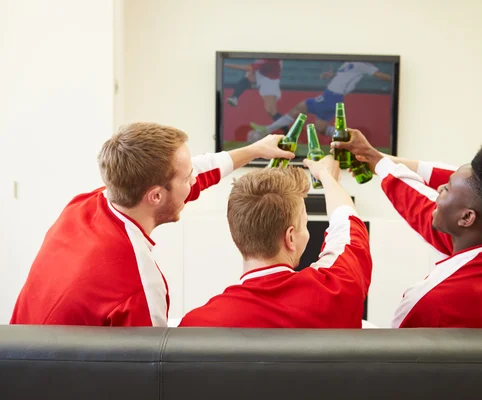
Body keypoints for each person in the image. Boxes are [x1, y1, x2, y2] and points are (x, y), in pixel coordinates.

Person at [10, 122, 293, 327]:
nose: (195, 180)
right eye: (187, 178)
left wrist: (255, 150)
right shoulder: (138, 284)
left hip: (17, 364)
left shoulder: (83, 205)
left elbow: (197, 171)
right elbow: (151, 373)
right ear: (155, 195)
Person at [331, 130, 482, 328]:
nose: (438, 190)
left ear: (467, 217)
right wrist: (375, 159)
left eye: (447, 188)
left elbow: (395, 358)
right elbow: (421, 204)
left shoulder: (427, 300)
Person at [179, 156, 372, 328]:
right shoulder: (340, 289)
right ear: (290, 238)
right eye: (304, 224)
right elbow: (346, 225)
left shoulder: (196, 326)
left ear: (236, 233)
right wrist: (326, 176)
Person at [250, 61, 392, 138]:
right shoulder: (348, 62)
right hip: (331, 96)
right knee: (321, 128)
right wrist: (330, 75)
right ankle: (345, 138)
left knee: (299, 108)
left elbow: (378, 74)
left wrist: (395, 79)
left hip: (332, 96)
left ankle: (267, 130)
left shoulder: (364, 65)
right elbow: (342, 76)